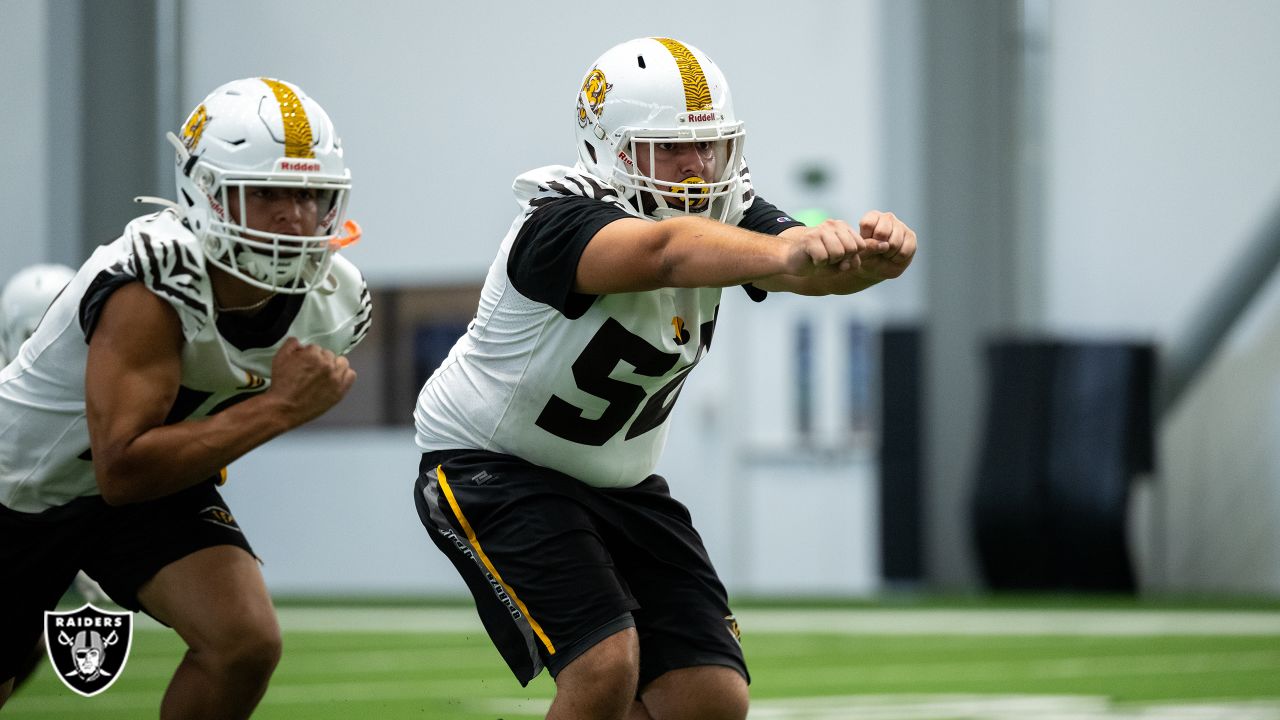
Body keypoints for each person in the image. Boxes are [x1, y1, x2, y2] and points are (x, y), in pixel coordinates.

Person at [411, 37, 916, 720]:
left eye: (708, 145)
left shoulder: (723, 212)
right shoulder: (557, 221)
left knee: (710, 697)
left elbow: (804, 268)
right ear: (611, 150)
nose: (696, 164)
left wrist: (868, 258)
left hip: (619, 481)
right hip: (496, 465)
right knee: (603, 663)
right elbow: (667, 252)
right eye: (672, 146)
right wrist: (792, 246)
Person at [0, 77, 371, 718]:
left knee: (243, 641)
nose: (296, 215)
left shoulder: (336, 304)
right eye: (269, 193)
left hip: (137, 488)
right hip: (21, 492)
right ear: (209, 196)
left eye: (311, 193)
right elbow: (122, 467)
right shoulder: (152, 277)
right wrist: (279, 409)